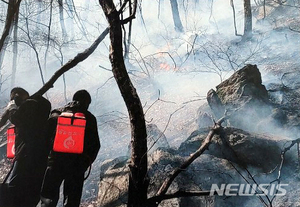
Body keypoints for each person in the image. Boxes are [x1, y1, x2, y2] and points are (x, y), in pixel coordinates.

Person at [40, 89, 100, 207]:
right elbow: (95, 145)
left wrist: (48, 159)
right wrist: (85, 164)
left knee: (48, 198)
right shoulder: (90, 118)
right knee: (72, 201)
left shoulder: (56, 114)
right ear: (87, 103)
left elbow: (44, 139)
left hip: (55, 162)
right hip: (76, 166)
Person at [4, 87, 51, 207]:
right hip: (42, 154)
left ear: (17, 96)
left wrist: (12, 107)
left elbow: (16, 118)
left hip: (26, 152)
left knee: (14, 184)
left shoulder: (29, 105)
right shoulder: (42, 107)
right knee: (34, 186)